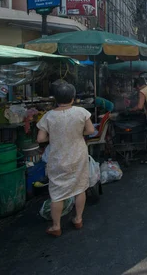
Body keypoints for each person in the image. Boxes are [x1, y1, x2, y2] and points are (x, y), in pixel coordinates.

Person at [36, 82, 95, 237]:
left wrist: (55, 135)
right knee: (80, 188)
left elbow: (40, 138)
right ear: (73, 97)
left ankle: (56, 226)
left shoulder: (48, 116)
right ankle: (78, 219)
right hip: (78, 155)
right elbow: (90, 130)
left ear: (55, 98)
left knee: (56, 193)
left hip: (58, 158)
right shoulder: (81, 112)